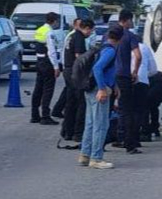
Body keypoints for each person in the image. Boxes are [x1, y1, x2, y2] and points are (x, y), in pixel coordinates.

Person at [80, 27, 122, 169]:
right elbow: (98, 68)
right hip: (99, 90)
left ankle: (85, 155)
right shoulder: (110, 51)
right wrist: (103, 88)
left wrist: (114, 85)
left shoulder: (101, 48)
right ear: (120, 39)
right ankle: (96, 158)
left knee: (91, 123)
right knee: (101, 124)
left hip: (90, 89)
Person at [61, 19, 95, 146]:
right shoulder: (79, 37)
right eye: (91, 30)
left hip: (68, 70)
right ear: (86, 28)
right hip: (76, 73)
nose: (91, 33)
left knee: (70, 102)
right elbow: (80, 57)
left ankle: (67, 130)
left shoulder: (71, 36)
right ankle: (78, 132)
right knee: (81, 103)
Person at [113, 10, 143, 154]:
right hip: (124, 76)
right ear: (127, 20)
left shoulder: (110, 34)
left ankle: (113, 138)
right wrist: (135, 72)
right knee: (127, 110)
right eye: (132, 20)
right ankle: (129, 143)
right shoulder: (130, 36)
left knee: (112, 109)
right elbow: (138, 56)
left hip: (111, 76)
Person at [31, 12, 61, 126]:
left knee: (38, 88)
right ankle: (45, 116)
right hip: (48, 62)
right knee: (48, 90)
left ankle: (34, 115)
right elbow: (52, 51)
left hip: (39, 61)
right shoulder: (49, 32)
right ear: (54, 21)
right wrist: (56, 67)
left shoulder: (40, 30)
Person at [52, 18, 82, 118]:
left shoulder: (72, 35)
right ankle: (68, 115)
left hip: (68, 67)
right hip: (71, 67)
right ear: (74, 25)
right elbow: (76, 54)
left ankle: (57, 110)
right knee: (72, 94)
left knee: (68, 91)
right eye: (79, 25)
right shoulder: (75, 36)